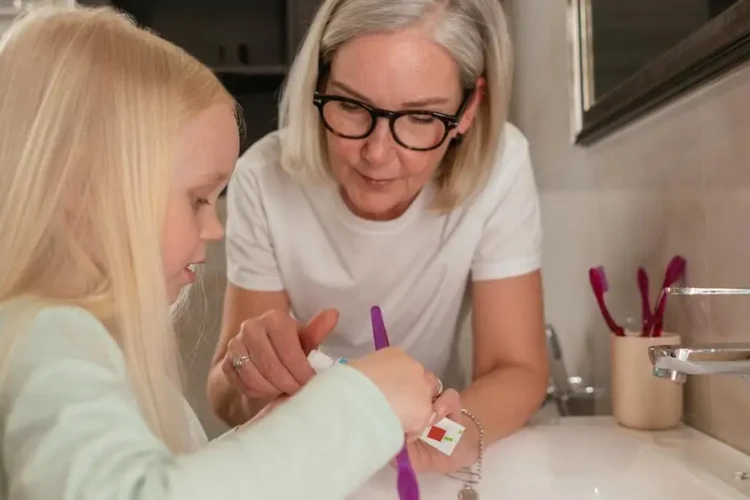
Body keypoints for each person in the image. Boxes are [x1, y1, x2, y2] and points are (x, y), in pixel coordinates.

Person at [0, 6, 445, 500]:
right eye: (197, 199)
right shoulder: (52, 338)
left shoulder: (70, 341)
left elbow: (183, 481)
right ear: (85, 186)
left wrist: (289, 426)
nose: (213, 228)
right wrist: (365, 404)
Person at [208, 0, 549, 476]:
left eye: (420, 118)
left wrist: (454, 435)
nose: (377, 153)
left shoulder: (501, 168)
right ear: (319, 85)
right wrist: (251, 374)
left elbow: (517, 368)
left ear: (470, 109)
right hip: (308, 454)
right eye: (350, 105)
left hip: (420, 448)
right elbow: (225, 391)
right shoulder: (263, 177)